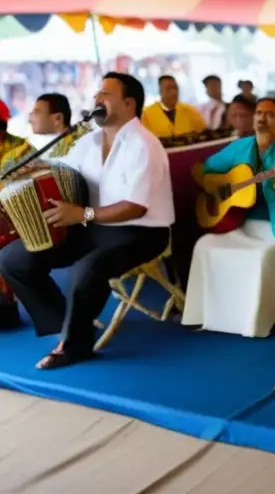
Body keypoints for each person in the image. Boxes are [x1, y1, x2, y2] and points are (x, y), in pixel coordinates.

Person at [0, 73, 173, 369]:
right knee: (12, 258)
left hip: (141, 232)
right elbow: (61, 169)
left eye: (106, 93)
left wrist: (82, 215)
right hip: (93, 227)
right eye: (97, 93)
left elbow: (135, 207)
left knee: (88, 268)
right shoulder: (89, 141)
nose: (96, 98)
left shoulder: (145, 145)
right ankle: (65, 323)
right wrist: (34, 168)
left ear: (129, 103)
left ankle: (74, 345)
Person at [181, 98, 275, 338]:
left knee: (262, 257)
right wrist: (212, 186)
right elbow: (200, 168)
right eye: (259, 112)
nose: (261, 118)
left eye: (270, 114)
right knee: (203, 245)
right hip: (241, 223)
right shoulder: (241, 147)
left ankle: (256, 323)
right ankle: (201, 315)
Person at [26, 93, 90, 160]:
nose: (30, 121)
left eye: (36, 112)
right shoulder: (55, 149)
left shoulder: (79, 146)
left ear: (57, 118)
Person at [141, 75, 207, 138]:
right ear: (160, 91)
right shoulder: (146, 114)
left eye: (175, 88)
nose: (174, 92)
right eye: (168, 89)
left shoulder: (191, 111)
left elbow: (204, 133)